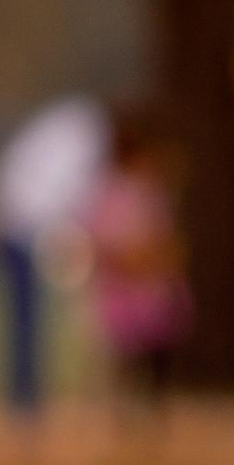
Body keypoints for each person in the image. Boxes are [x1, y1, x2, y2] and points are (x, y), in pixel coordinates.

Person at [0, 92, 105, 416]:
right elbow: (71, 191)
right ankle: (25, 399)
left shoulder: (63, 125)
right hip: (27, 232)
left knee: (24, 321)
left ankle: (24, 397)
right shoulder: (86, 133)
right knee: (29, 320)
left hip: (19, 227)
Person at [80, 106, 191, 403]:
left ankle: (146, 412)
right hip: (125, 286)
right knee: (130, 356)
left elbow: (167, 242)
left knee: (152, 354)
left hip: (147, 285)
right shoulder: (115, 191)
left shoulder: (148, 191)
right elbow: (101, 242)